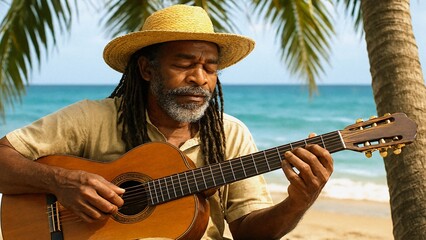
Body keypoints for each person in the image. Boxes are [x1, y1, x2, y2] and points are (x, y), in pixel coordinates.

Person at [0, 4, 333, 240]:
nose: (200, 78)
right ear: (147, 70)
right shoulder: (93, 118)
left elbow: (248, 231)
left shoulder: (229, 134)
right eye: (184, 63)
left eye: (210, 67)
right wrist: (61, 182)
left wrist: (298, 201)